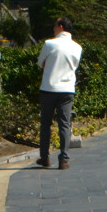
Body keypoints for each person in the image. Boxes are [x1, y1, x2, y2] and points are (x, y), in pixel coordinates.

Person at [36, 17, 82, 170]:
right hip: (67, 89)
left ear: (60, 27)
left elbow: (40, 62)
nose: (53, 29)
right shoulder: (77, 47)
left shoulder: (49, 44)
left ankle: (45, 157)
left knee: (45, 124)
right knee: (64, 124)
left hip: (49, 88)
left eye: (55, 26)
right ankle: (64, 159)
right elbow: (74, 66)